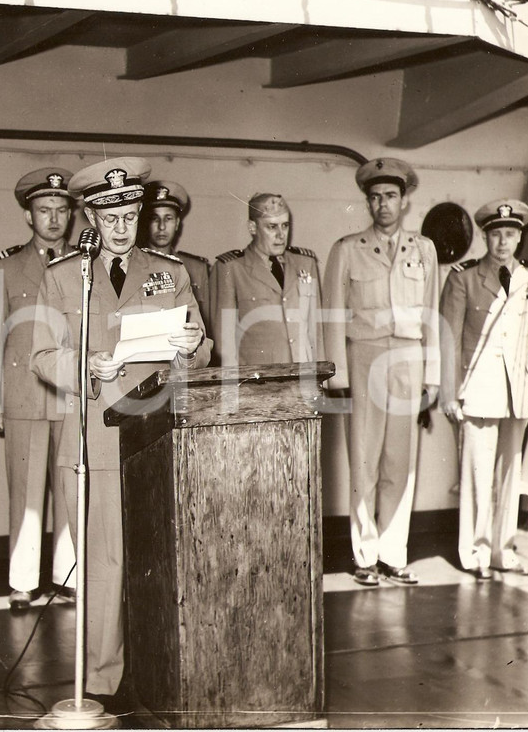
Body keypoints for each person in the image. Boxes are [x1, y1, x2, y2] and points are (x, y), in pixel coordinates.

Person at [31, 156, 211, 698]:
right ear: (91, 216)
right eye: (110, 218)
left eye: (129, 215)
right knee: (105, 566)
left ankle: (162, 669)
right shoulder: (64, 277)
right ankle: (103, 681)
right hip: (95, 436)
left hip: (156, 437)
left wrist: (190, 349)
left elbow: (202, 347)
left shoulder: (170, 272)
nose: (121, 227)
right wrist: (85, 365)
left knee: (162, 556)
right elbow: (41, 354)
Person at [324, 158, 439, 587]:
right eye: (375, 198)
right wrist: (338, 378)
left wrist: (432, 379)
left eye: (390, 196)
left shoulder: (424, 250)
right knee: (365, 460)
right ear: (368, 203)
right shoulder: (347, 249)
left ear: (404, 200)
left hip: (409, 359)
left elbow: (432, 315)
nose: (383, 205)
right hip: (366, 357)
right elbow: (333, 316)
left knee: (400, 463)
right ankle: (364, 556)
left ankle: (394, 554)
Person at [440, 199, 528, 576]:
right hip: (478, 390)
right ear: (486, 237)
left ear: (520, 237)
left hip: (518, 391)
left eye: (510, 234)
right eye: (496, 234)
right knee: (476, 475)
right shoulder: (463, 277)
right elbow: (448, 340)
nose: (503, 242)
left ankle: (504, 551)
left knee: (510, 475)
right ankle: (475, 553)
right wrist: (450, 392)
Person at [0, 168, 77, 610]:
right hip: (23, 392)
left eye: (62, 210)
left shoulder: (85, 266)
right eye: (45, 210)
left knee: (68, 488)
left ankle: (66, 576)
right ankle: (22, 580)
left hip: (70, 395)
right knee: (23, 490)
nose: (54, 219)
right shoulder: (5, 266)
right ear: (29, 215)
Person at [209, 192, 323, 367]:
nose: (281, 235)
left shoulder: (305, 263)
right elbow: (225, 344)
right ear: (253, 228)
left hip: (302, 377)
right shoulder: (231, 268)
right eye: (272, 227)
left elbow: (316, 332)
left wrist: (320, 378)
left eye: (285, 226)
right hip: (258, 380)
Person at [141, 180, 211, 323]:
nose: (161, 227)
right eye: (154, 219)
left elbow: (205, 322)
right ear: (145, 222)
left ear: (177, 223)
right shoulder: (133, 265)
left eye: (168, 218)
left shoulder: (196, 268)